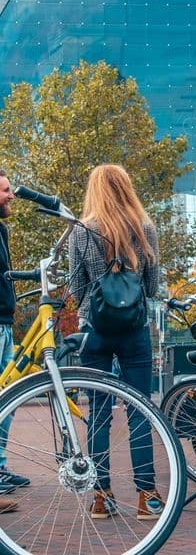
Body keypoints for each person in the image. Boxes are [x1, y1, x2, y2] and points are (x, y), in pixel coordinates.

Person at [68, 164, 164, 520]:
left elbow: (77, 290)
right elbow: (152, 288)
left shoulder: (83, 231)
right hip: (135, 332)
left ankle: (101, 496)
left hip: (97, 330)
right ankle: (147, 497)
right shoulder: (146, 228)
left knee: (98, 415)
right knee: (141, 409)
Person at [0, 170, 28, 514]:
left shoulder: (2, 229)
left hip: (4, 323)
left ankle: (0, 469)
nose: (11, 195)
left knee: (6, 400)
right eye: (5, 190)